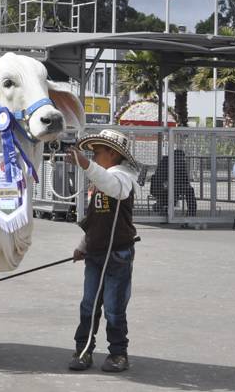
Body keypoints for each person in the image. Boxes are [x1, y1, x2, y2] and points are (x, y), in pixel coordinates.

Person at [65, 129, 139, 373]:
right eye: (92, 154)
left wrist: (85, 164)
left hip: (118, 254)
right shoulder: (100, 179)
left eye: (97, 153)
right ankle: (83, 349)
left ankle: (118, 353)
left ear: (113, 154)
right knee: (89, 304)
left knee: (114, 308)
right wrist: (83, 246)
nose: (94, 156)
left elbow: (114, 188)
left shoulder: (122, 177)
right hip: (95, 253)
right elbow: (95, 219)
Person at [149, 148, 196, 216]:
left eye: (182, 158)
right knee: (170, 192)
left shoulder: (182, 164)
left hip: (176, 187)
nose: (181, 160)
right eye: (180, 158)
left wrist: (186, 185)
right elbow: (159, 177)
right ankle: (162, 208)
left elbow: (185, 179)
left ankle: (191, 214)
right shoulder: (165, 162)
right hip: (164, 187)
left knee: (190, 190)